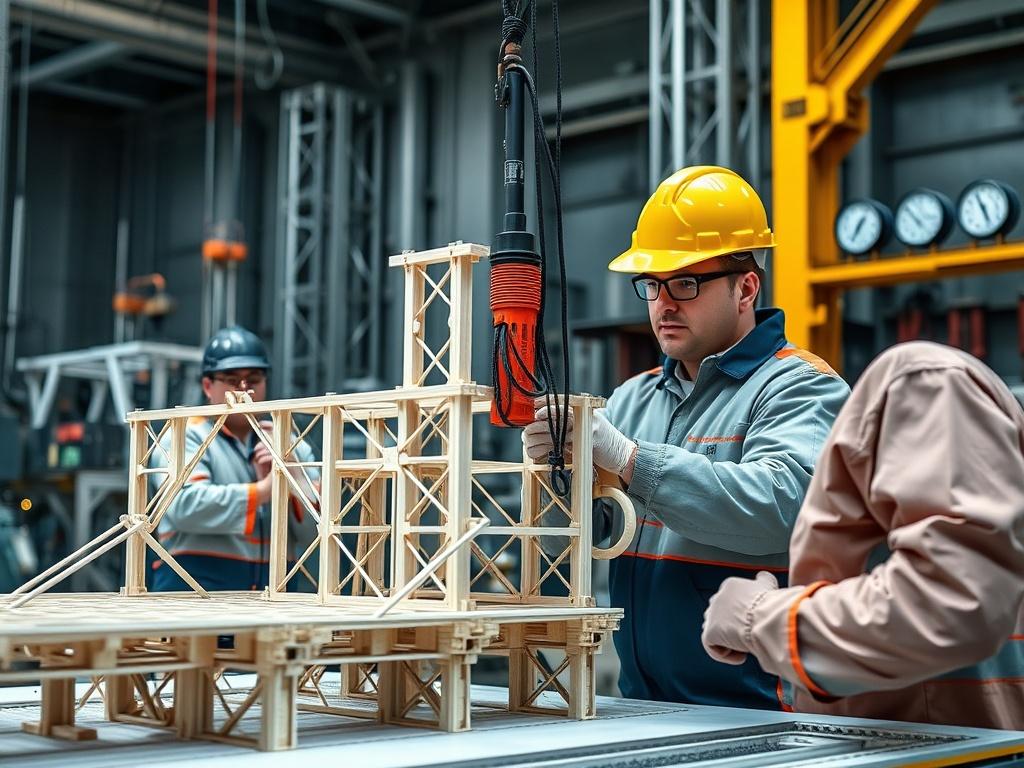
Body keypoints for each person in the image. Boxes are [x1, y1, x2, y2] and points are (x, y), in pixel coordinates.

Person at [523, 166, 849, 709]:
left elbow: (781, 509)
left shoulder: (801, 387)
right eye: (651, 285)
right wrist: (557, 475)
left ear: (746, 288)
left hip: (762, 711)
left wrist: (629, 459)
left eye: (686, 284)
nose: (663, 304)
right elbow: (592, 533)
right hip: (644, 705)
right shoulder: (632, 398)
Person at [701, 341, 1024, 729]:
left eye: (689, 283)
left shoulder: (924, 381)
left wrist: (759, 617)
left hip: (934, 741)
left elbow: (951, 602)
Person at [149, 325, 318, 592]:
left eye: (253, 379)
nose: (244, 390)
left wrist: (295, 478)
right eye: (231, 380)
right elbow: (183, 506)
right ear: (208, 385)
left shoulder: (292, 445)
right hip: (194, 592)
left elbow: (318, 533)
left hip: (275, 596)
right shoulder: (184, 437)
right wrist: (265, 490)